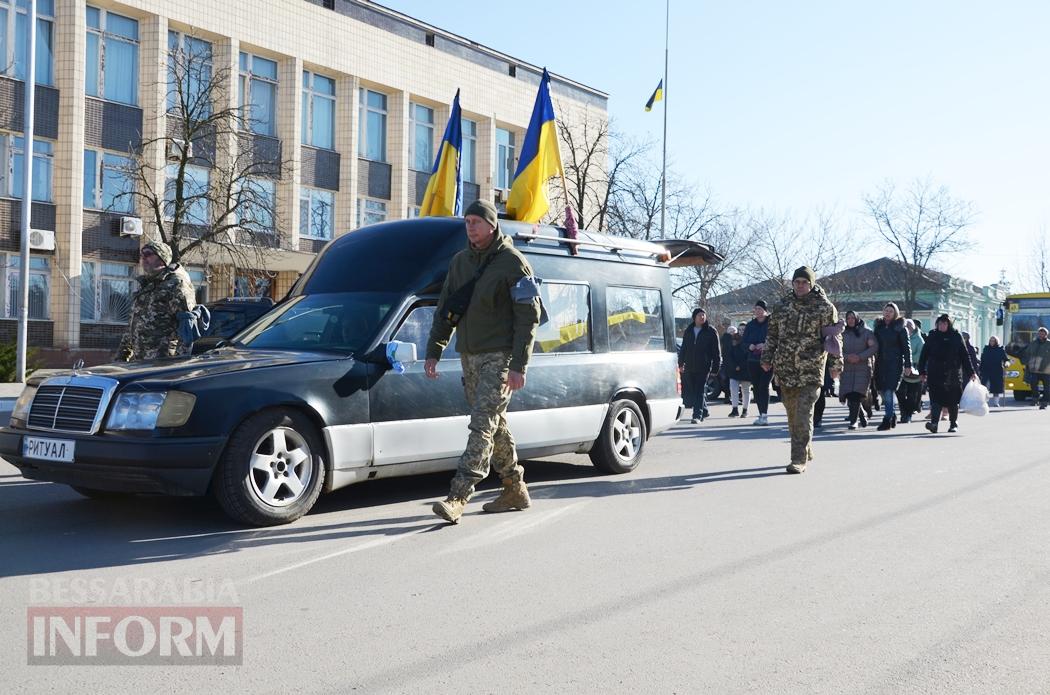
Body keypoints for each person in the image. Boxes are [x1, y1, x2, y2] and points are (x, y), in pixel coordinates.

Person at [425, 199, 542, 524]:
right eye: (467, 222)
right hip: (469, 355)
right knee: (494, 425)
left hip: (501, 357)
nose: (470, 227)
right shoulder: (460, 262)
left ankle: (458, 496)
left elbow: (527, 317)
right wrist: (434, 350)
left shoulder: (513, 263)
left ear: (492, 225)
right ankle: (514, 488)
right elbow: (446, 307)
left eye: (476, 221)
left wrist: (520, 364)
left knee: (481, 424)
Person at [761, 266, 842, 474]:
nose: (800, 285)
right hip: (785, 368)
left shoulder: (824, 307)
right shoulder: (782, 306)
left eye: (804, 282)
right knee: (792, 415)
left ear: (812, 283)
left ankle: (798, 459)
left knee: (802, 413)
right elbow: (772, 335)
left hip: (811, 369)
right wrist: (767, 358)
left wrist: (836, 365)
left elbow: (833, 339)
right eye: (796, 281)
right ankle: (805, 447)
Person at [116, 240, 197, 362]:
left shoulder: (176, 284)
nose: (143, 258)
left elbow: (187, 328)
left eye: (148, 254)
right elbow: (134, 324)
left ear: (162, 258)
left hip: (163, 362)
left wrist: (180, 364)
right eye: (142, 255)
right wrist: (121, 357)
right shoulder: (147, 285)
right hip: (141, 361)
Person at [919, 314, 978, 433]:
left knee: (953, 400)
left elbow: (964, 356)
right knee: (936, 400)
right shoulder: (932, 336)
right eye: (940, 323)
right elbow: (924, 355)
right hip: (935, 373)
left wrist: (971, 372)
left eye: (944, 323)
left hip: (953, 374)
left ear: (949, 324)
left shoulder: (956, 336)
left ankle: (953, 423)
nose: (942, 326)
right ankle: (934, 423)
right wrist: (922, 371)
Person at [872, 302, 913, 430]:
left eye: (891, 311)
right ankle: (893, 415)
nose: (888, 313)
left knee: (889, 391)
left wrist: (908, 365)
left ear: (895, 313)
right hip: (880, 363)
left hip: (895, 364)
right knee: (882, 391)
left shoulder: (900, 328)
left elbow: (907, 348)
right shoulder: (879, 327)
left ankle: (887, 419)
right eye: (886, 310)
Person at [679, 307, 721, 423]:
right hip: (690, 366)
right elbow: (684, 348)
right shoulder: (689, 330)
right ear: (694, 317)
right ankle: (705, 410)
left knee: (700, 390)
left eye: (703, 315)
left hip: (704, 366)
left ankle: (697, 415)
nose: (702, 317)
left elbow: (716, 351)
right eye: (699, 315)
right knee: (693, 390)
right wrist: (681, 363)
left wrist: (715, 368)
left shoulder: (711, 331)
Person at [839, 310, 877, 429]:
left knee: (857, 394)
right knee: (849, 394)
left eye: (852, 318)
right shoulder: (842, 333)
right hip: (847, 367)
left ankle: (853, 421)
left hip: (862, 367)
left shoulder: (866, 332)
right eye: (848, 318)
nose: (850, 320)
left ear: (857, 319)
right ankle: (861, 415)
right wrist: (846, 357)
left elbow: (874, 347)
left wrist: (859, 357)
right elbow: (837, 348)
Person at [742, 300, 773, 425]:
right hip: (753, 360)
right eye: (756, 309)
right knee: (756, 386)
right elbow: (743, 343)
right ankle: (761, 414)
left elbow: (778, 339)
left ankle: (764, 414)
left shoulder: (771, 323)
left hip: (768, 360)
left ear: (766, 310)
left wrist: (765, 345)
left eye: (760, 309)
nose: (758, 312)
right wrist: (749, 346)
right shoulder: (750, 325)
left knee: (763, 386)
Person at [897, 318, 925, 422]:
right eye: (906, 326)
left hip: (915, 371)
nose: (907, 329)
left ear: (913, 328)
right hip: (901, 370)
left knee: (912, 395)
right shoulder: (900, 336)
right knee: (899, 393)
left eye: (909, 327)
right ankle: (904, 412)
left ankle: (908, 414)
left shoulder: (919, 339)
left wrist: (908, 357)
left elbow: (920, 355)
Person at [1019, 326, 1050, 409]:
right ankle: (1035, 398)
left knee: (1047, 388)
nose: (1041, 335)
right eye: (1040, 333)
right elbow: (1027, 354)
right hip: (1034, 369)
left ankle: (1044, 402)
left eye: (1043, 333)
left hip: (1047, 370)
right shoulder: (1033, 343)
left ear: (1046, 334)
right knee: (1033, 385)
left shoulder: (1049, 344)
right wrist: (1026, 362)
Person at [725, 325, 751, 418]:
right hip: (734, 369)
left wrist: (741, 366)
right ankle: (734, 409)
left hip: (746, 369)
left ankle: (745, 410)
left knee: (746, 390)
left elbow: (749, 356)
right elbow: (729, 354)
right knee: (733, 389)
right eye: (739, 329)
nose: (741, 331)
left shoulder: (749, 340)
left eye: (743, 329)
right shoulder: (733, 340)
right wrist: (734, 366)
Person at [979, 335, 1008, 407]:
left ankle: (996, 402)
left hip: (996, 370)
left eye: (993, 341)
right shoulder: (986, 349)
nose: (992, 342)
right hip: (986, 370)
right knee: (984, 386)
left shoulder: (1000, 350)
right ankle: (983, 401)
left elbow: (1006, 359)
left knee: (996, 387)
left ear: (996, 342)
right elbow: (982, 359)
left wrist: (1006, 363)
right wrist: (980, 369)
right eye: (991, 341)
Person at [716, 318, 735, 404]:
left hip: (726, 363)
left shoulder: (723, 338)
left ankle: (728, 397)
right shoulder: (728, 339)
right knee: (730, 381)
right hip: (729, 364)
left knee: (728, 382)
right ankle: (729, 397)